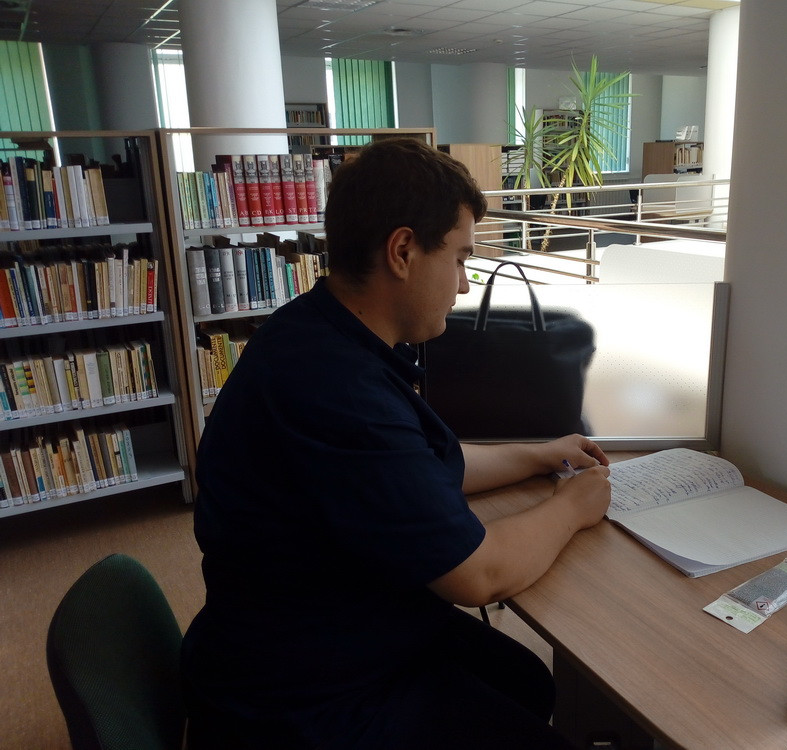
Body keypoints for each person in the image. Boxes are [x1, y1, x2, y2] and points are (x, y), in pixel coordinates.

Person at [181, 137, 612, 750]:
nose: (464, 285)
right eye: (460, 258)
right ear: (403, 251)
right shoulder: (338, 390)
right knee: (522, 698)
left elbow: (420, 466)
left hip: (321, 629)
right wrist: (572, 506)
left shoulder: (317, 330)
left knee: (524, 679)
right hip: (301, 698)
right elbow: (479, 576)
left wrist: (541, 454)